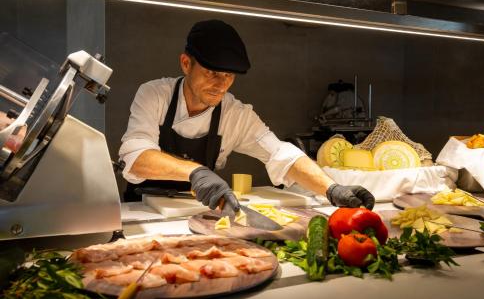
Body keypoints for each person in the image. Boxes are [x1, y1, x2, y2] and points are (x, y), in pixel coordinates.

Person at [119, 19, 375, 212]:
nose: (221, 84)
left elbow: (279, 154)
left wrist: (332, 189)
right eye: (212, 73)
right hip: (142, 210)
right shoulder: (154, 95)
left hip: (193, 212)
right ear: (186, 63)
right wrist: (196, 171)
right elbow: (136, 156)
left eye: (229, 76)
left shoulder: (234, 113)